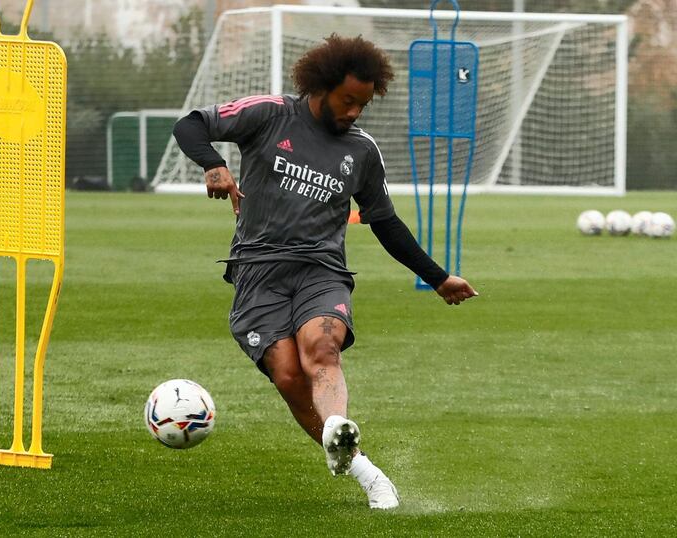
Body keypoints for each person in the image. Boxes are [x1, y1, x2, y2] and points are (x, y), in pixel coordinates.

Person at [172, 34, 478, 510]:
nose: (355, 111)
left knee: (322, 348)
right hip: (256, 271)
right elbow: (191, 124)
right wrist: (214, 165)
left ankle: (337, 426)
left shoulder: (362, 150)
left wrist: (438, 278)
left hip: (321, 270)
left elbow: (386, 223)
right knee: (291, 376)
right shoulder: (270, 114)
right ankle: (365, 469)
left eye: (363, 103)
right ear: (321, 85)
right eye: (348, 100)